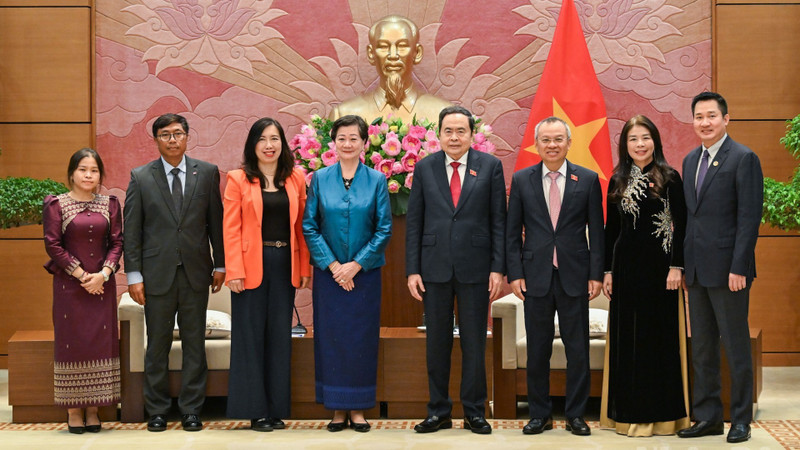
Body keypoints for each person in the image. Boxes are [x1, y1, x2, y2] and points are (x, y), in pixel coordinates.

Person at [406, 105, 506, 435]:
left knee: (474, 343)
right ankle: (438, 411)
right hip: (433, 268)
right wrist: (412, 269)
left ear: (471, 135)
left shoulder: (490, 166)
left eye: (460, 131)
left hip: (476, 269)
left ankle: (475, 411)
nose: (454, 137)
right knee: (437, 343)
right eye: (448, 131)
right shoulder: (424, 168)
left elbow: (498, 221)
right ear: (438, 134)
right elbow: (414, 223)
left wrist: (497, 268)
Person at [123, 113, 225, 432]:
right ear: (156, 140)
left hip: (196, 273)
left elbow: (216, 223)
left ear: (187, 137)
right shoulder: (140, 177)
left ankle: (192, 410)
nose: (172, 139)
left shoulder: (206, 173)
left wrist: (220, 263)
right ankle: (156, 410)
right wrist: (134, 276)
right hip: (156, 275)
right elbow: (132, 232)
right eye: (165, 134)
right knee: (157, 345)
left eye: (178, 133)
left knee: (195, 343)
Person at [506, 116, 604, 436]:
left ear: (569, 143)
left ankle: (575, 414)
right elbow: (512, 233)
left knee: (577, 349)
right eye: (546, 140)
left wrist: (596, 274)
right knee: (538, 349)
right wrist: (515, 273)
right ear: (537, 144)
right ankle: (540, 414)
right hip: (535, 275)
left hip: (575, 275)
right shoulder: (522, 180)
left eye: (558, 139)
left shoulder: (587, 180)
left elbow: (597, 233)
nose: (552, 145)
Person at [677, 92, 763, 444]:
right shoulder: (688, 160)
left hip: (730, 271)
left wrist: (739, 266)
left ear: (726, 119)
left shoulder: (743, 158)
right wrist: (682, 266)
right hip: (696, 271)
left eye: (712, 116)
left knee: (735, 345)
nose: (705, 122)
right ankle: (708, 416)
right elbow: (687, 219)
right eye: (699, 116)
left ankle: (740, 419)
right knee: (703, 348)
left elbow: (748, 218)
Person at [599, 115, 690, 436]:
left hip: (662, 271)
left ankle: (664, 416)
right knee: (629, 340)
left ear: (656, 141)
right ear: (625, 145)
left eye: (645, 137)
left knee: (659, 340)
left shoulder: (670, 177)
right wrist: (607, 271)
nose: (640, 144)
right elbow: (611, 230)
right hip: (625, 270)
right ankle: (626, 414)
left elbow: (682, 227)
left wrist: (677, 266)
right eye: (633, 139)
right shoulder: (617, 180)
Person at [302, 114, 392, 432]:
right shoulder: (319, 179)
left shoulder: (377, 180)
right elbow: (309, 226)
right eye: (342, 138)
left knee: (361, 340)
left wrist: (357, 264)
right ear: (333, 143)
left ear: (364, 143)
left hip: (364, 276)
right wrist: (333, 265)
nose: (348, 143)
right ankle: (337, 410)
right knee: (331, 340)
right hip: (329, 277)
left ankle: (359, 410)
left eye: (354, 138)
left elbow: (384, 229)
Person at [223, 118, 312, 431]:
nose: (269, 145)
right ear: (252, 145)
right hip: (250, 266)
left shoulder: (296, 179)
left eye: (275, 139)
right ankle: (255, 410)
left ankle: (275, 409)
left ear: (283, 144)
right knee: (251, 338)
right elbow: (230, 229)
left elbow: (303, 228)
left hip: (285, 262)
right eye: (262, 139)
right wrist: (233, 270)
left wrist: (304, 268)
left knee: (279, 337)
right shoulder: (238, 180)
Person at [43, 148, 123, 434]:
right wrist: (80, 274)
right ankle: (73, 409)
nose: (89, 175)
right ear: (72, 173)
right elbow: (53, 244)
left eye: (94, 170)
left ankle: (94, 409)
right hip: (69, 287)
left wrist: (102, 275)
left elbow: (117, 243)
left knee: (100, 343)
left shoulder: (111, 203)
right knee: (72, 342)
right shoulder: (56, 204)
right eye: (83, 169)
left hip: (102, 287)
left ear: (100, 174)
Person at [331, 15, 452, 123]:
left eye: (402, 46)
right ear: (371, 54)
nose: (393, 55)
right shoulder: (343, 115)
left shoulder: (444, 115)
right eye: (383, 47)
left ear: (417, 53)